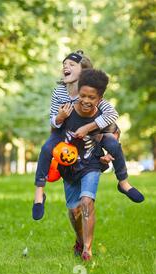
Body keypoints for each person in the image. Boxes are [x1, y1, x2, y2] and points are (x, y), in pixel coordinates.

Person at [32, 50, 144, 221]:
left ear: (84, 73)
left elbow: (112, 116)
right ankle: (39, 193)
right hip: (65, 134)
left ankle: (123, 182)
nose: (65, 67)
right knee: (46, 148)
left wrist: (90, 128)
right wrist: (60, 117)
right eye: (64, 65)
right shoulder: (59, 93)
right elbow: (53, 122)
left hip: (92, 136)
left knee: (113, 145)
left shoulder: (90, 93)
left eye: (71, 65)